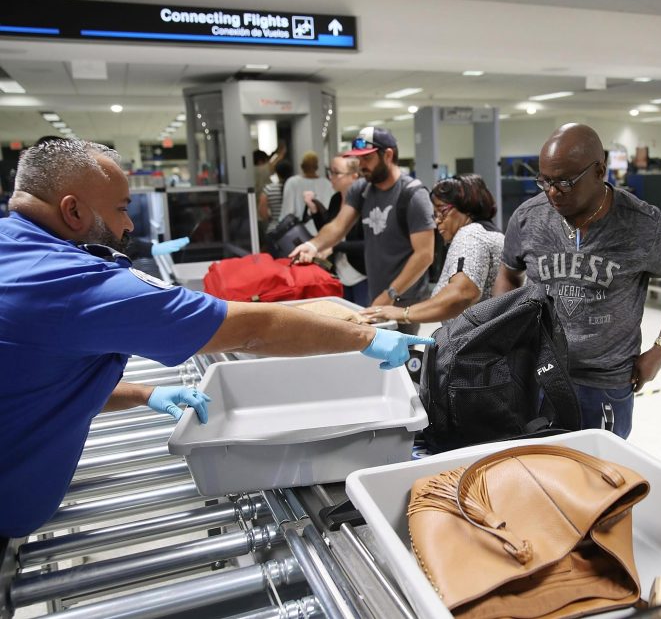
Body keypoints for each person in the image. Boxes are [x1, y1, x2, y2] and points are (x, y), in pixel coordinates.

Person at [0, 139, 433, 539]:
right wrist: (364, 337)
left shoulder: (13, 248)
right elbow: (252, 329)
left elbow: (38, 377)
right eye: (120, 208)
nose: (129, 223)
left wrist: (140, 394)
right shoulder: (75, 282)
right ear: (73, 212)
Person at [493, 123, 661, 438]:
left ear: (600, 171)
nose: (553, 192)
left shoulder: (643, 225)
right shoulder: (528, 217)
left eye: (564, 182)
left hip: (605, 383)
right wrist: (506, 335)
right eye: (545, 181)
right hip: (539, 372)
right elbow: (509, 274)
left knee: (600, 478)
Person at [288, 127, 436, 335]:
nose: (361, 166)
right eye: (359, 159)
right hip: (376, 291)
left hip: (404, 298)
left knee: (401, 360)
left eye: (367, 159)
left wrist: (390, 294)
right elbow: (339, 226)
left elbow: (425, 255)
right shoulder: (362, 189)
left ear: (388, 155)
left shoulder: (413, 195)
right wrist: (313, 245)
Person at [360, 174, 504, 326]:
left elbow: (463, 293)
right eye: (435, 214)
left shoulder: (471, 235)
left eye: (442, 211)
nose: (437, 220)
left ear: (467, 206)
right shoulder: (493, 234)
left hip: (477, 345)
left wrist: (403, 313)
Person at [321, 155, 368, 305]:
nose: (331, 177)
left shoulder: (366, 202)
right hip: (340, 273)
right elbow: (331, 231)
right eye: (330, 172)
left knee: (364, 322)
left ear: (354, 176)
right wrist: (315, 211)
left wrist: (335, 247)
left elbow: (370, 244)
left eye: (336, 173)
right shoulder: (335, 199)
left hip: (363, 273)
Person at [279, 151, 334, 225]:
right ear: (316, 166)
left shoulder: (292, 182)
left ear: (302, 166)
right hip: (322, 228)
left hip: (300, 229)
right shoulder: (326, 183)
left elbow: (287, 211)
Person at [258, 159, 294, 229]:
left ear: (277, 173)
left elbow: (262, 212)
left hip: (275, 229)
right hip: (293, 228)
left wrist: (271, 219)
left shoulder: (269, 189)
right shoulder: (296, 188)